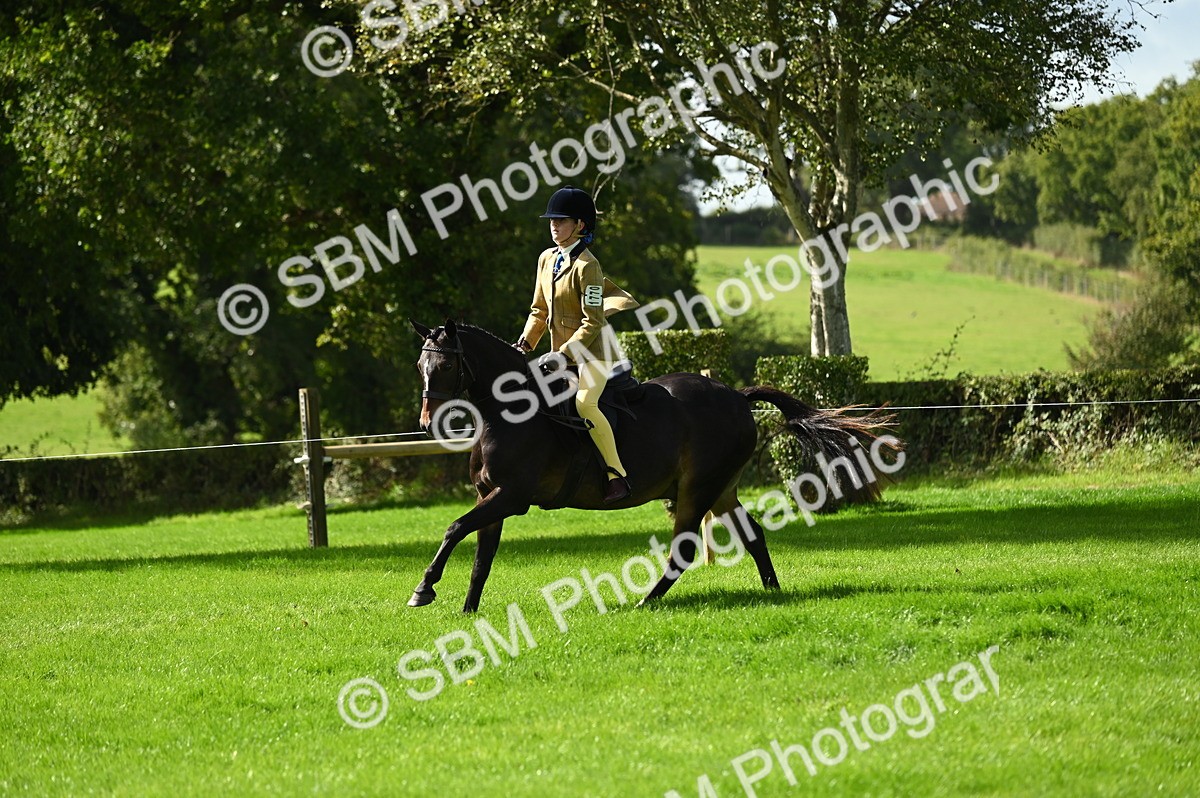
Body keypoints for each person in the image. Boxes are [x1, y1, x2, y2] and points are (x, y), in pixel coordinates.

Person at [514, 186, 639, 503]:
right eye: (551, 220)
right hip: (561, 357)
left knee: (585, 404)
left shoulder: (588, 266)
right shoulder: (546, 259)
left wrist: (562, 354)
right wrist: (525, 345)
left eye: (562, 220)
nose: (554, 225)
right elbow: (539, 311)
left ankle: (616, 476)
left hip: (595, 355)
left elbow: (593, 321)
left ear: (581, 225)